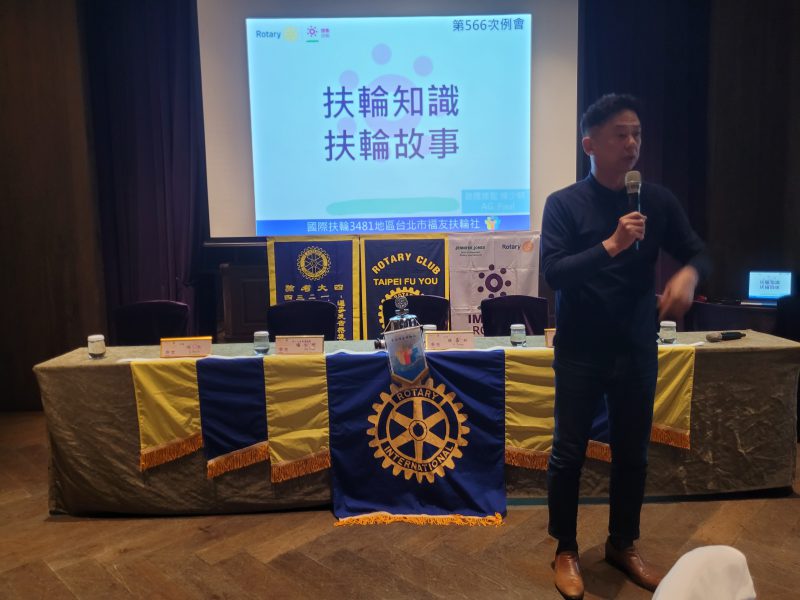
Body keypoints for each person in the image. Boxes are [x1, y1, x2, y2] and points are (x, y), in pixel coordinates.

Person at [541, 93, 710, 600]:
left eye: (637, 133)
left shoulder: (655, 200)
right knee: (568, 453)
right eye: (620, 134)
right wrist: (612, 245)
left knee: (632, 453)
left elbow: (697, 251)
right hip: (580, 349)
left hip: (636, 348)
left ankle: (622, 543)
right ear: (590, 145)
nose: (632, 143)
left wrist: (688, 274)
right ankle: (566, 549)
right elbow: (555, 273)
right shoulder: (564, 204)